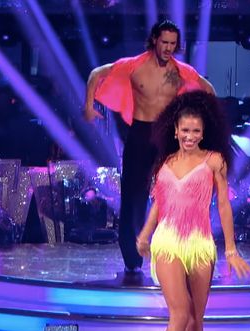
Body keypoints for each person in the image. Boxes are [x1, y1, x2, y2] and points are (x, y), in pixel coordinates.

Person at [135, 91, 250, 331]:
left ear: (203, 133)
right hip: (168, 242)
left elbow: (223, 205)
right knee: (180, 314)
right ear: (175, 131)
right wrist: (145, 235)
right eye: (185, 130)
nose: (189, 136)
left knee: (196, 318)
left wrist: (231, 250)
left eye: (195, 131)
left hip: (200, 243)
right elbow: (158, 205)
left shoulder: (215, 161)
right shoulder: (164, 164)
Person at [84, 19, 215, 274]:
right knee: (133, 197)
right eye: (164, 42)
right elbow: (96, 74)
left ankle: (177, 251)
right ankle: (132, 257)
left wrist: (205, 123)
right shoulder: (134, 66)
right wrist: (88, 106)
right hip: (141, 134)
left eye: (173, 44)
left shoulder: (180, 71)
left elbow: (207, 88)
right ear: (154, 39)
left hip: (167, 136)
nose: (168, 48)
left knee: (175, 194)